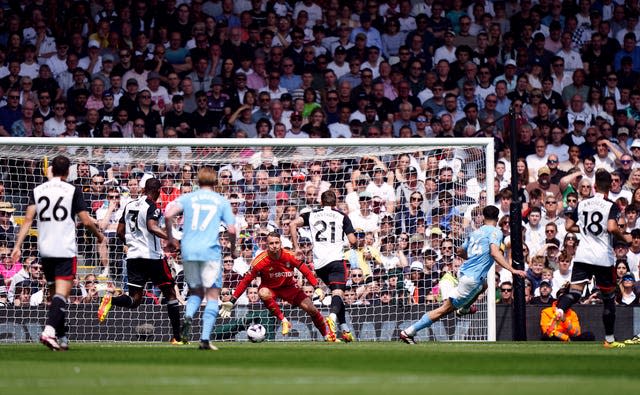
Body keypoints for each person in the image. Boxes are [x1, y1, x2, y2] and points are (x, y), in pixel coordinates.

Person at [11, 155, 104, 351]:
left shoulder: (38, 190)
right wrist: (99, 236)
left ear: (51, 169)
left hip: (45, 250)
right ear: (69, 171)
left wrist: (18, 246)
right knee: (62, 294)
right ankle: (50, 331)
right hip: (64, 248)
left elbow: (28, 220)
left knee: (55, 295)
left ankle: (61, 337)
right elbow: (86, 221)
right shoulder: (72, 190)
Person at [400, 205, 526, 344]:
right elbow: (494, 252)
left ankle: (464, 309)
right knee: (444, 310)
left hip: (463, 272)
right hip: (470, 279)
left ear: (483, 218)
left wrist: (473, 258)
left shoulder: (474, 233)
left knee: (484, 284)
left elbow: (459, 252)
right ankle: (409, 332)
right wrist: (513, 270)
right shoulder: (496, 232)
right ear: (497, 218)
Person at [96, 177, 183, 344]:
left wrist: (131, 244)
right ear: (158, 192)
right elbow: (152, 226)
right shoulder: (152, 206)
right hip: (152, 257)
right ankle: (176, 338)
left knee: (135, 300)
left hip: (133, 257)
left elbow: (120, 231)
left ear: (143, 189)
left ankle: (110, 300)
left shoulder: (129, 205)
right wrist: (171, 239)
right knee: (171, 293)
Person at [555, 169, 632, 348]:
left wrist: (584, 230)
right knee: (608, 298)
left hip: (583, 255)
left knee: (575, 292)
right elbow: (612, 227)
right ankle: (609, 340)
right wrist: (624, 237)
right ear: (610, 187)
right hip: (603, 258)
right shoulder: (611, 205)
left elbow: (568, 226)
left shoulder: (582, 204)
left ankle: (560, 309)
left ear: (595, 186)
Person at [165, 167, 236, 351]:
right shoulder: (221, 201)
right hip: (209, 251)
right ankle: (204, 339)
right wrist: (233, 249)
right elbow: (232, 230)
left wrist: (172, 238)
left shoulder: (188, 198)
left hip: (188, 250)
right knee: (212, 294)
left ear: (198, 181)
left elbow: (167, 214)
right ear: (215, 182)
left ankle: (188, 317)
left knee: (196, 292)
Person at [219, 232, 333, 341]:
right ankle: (283, 320)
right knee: (262, 292)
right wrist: (232, 300)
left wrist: (316, 287)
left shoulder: (290, 255)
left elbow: (306, 271)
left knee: (312, 309)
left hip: (289, 288)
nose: (274, 246)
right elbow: (245, 281)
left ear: (280, 244)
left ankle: (326, 335)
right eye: (271, 243)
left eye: (276, 243)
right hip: (270, 289)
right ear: (267, 245)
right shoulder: (259, 261)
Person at [290, 189, 357, 342]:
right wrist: (357, 243)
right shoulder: (342, 216)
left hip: (319, 265)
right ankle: (332, 317)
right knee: (338, 294)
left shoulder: (311, 214)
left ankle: (345, 329)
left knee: (336, 295)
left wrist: (297, 247)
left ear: (321, 202)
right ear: (335, 203)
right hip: (336, 261)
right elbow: (352, 240)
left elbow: (293, 224)